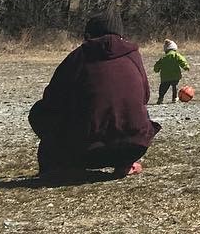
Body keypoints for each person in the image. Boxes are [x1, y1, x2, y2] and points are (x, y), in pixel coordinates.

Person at [27, 11, 160, 179]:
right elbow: (145, 95)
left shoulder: (79, 57)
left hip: (86, 150)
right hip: (133, 146)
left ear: (89, 35)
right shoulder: (133, 56)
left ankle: (61, 164)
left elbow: (52, 100)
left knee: (40, 111)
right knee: (133, 108)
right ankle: (124, 163)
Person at [153, 40, 192, 104]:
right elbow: (182, 61)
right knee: (175, 87)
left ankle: (160, 98)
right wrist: (186, 66)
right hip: (175, 75)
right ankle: (174, 98)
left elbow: (157, 65)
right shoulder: (176, 55)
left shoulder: (163, 57)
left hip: (165, 77)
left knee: (163, 88)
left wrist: (156, 70)